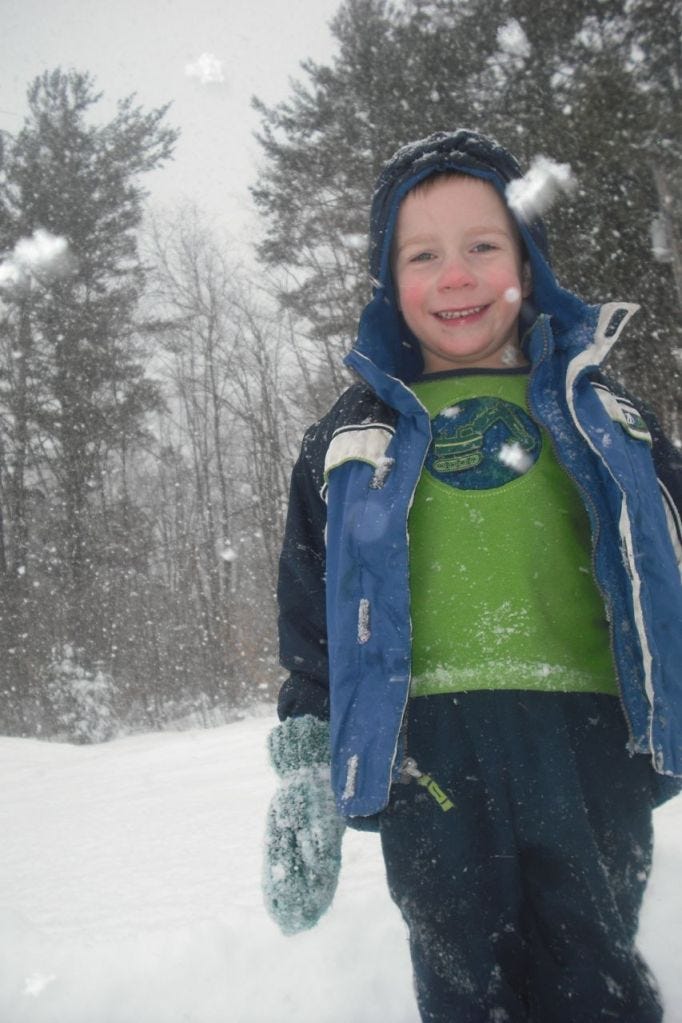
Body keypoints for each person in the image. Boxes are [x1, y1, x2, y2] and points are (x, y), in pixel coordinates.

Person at [262, 129, 682, 1022]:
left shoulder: (603, 414)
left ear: (527, 260)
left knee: (595, 961)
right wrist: (305, 760)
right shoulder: (349, 439)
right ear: (389, 278)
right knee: (459, 969)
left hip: (592, 734)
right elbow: (313, 615)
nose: (455, 276)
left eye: (483, 246)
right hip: (426, 746)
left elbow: (666, 562)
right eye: (423, 255)